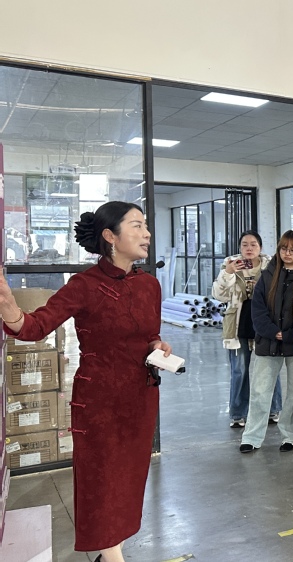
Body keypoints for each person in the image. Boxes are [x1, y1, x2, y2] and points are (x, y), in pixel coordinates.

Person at [0, 202, 172, 562]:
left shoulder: (150, 285)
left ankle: (111, 552)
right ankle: (111, 556)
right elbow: (36, 326)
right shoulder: (84, 285)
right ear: (110, 236)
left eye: (146, 226)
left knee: (128, 479)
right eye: (137, 226)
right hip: (99, 403)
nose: (146, 234)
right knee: (102, 481)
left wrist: (158, 346)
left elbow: (150, 335)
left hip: (141, 398)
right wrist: (12, 314)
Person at [239, 230, 293, 453]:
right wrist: (273, 332)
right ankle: (251, 437)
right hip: (267, 341)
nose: (287, 253)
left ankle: (291, 435)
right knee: (260, 391)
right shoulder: (268, 275)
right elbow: (257, 309)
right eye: (284, 249)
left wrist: (290, 335)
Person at [212, 231, 281, 428]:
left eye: (253, 244)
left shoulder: (271, 265)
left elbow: (279, 293)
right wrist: (228, 273)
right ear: (239, 247)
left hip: (264, 323)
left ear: (260, 247)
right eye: (244, 244)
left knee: (269, 369)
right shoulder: (230, 264)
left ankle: (273, 409)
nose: (249, 248)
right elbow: (219, 295)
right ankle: (238, 413)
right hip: (238, 324)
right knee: (239, 370)